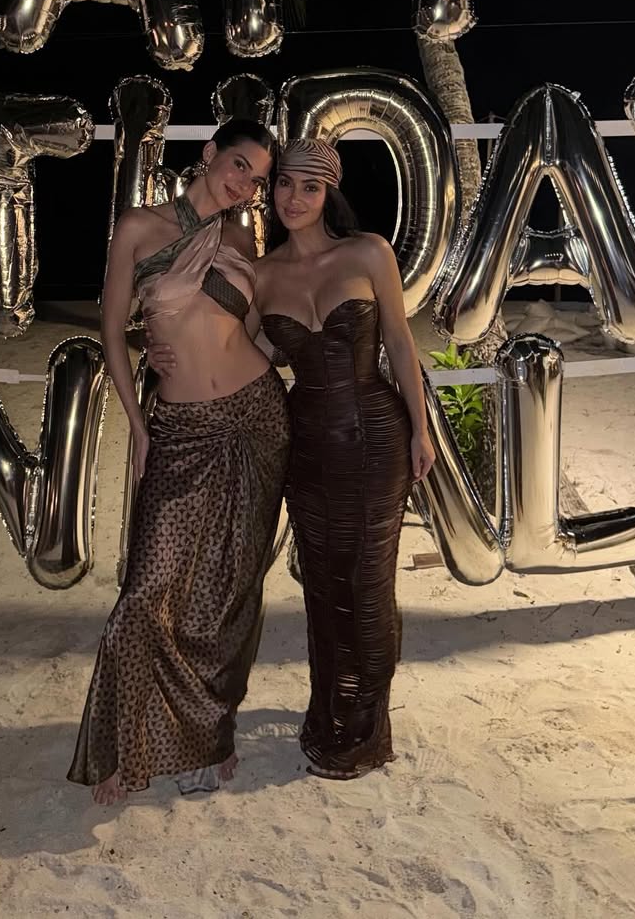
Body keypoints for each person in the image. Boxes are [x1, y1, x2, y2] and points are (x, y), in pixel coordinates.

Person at [149, 137, 435, 780]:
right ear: (271, 193)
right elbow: (234, 349)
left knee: (366, 582)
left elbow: (398, 341)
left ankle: (366, 723)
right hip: (302, 443)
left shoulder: (368, 252)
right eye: (284, 185)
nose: (294, 197)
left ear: (329, 191)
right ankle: (329, 713)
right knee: (322, 586)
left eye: (310, 186)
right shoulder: (265, 272)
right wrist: (164, 351)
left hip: (374, 436)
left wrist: (422, 429)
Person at [68, 120, 291, 805]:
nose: (243, 183)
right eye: (237, 165)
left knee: (229, 591)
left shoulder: (239, 236)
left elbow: (246, 328)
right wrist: (137, 423)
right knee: (146, 592)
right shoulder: (139, 227)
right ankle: (116, 749)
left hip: (258, 418)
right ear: (207, 155)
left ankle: (208, 735)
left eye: (255, 178)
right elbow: (111, 328)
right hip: (183, 429)